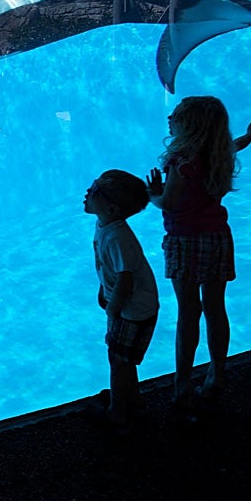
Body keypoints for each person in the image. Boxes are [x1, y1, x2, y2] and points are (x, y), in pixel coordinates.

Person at [144, 96, 251, 420]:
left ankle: (183, 385)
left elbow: (169, 203)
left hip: (185, 241)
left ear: (189, 127)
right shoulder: (216, 154)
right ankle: (217, 373)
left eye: (177, 117)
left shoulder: (181, 160)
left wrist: (153, 193)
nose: (170, 118)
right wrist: (250, 137)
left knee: (188, 312)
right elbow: (234, 145)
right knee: (215, 308)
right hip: (217, 238)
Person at [83, 169, 159, 433]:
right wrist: (105, 291)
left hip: (131, 312)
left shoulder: (117, 236)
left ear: (112, 209)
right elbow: (112, 271)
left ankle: (117, 413)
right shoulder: (105, 224)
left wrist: (113, 309)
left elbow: (126, 280)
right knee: (124, 360)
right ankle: (133, 401)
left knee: (118, 361)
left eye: (95, 191)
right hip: (132, 308)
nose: (88, 192)